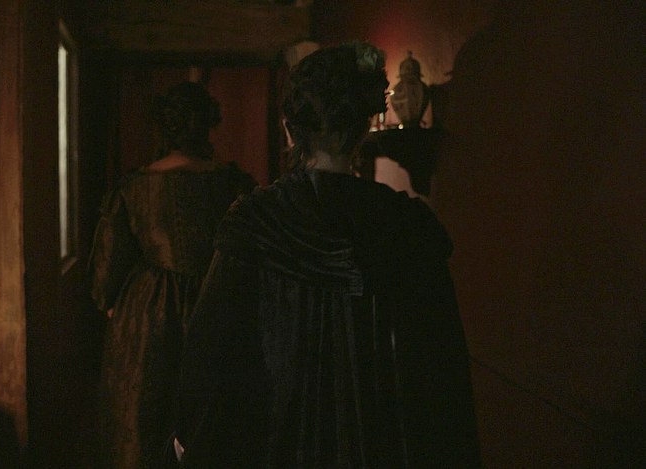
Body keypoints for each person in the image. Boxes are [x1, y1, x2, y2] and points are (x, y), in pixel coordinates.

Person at [173, 42, 481, 467]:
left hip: (275, 442)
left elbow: (211, 351)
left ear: (290, 130)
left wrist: (194, 438)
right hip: (383, 446)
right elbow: (441, 370)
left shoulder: (257, 223)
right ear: (364, 127)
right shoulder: (406, 227)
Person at [87, 81, 257, 468]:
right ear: (208, 124)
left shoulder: (135, 187)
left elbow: (106, 266)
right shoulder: (235, 184)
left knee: (145, 422)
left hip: (148, 314)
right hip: (217, 306)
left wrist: (111, 303)